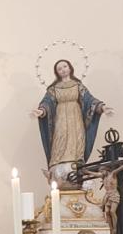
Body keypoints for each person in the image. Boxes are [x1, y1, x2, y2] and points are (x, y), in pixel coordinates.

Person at [34, 59, 110, 188]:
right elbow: (47, 102)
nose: (63, 70)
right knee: (60, 140)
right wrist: (41, 111)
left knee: (76, 141)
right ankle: (59, 167)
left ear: (70, 68)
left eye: (65, 66)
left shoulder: (78, 86)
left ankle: (76, 164)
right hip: (60, 121)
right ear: (56, 72)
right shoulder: (53, 89)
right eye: (59, 68)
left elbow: (89, 100)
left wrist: (102, 107)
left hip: (76, 121)